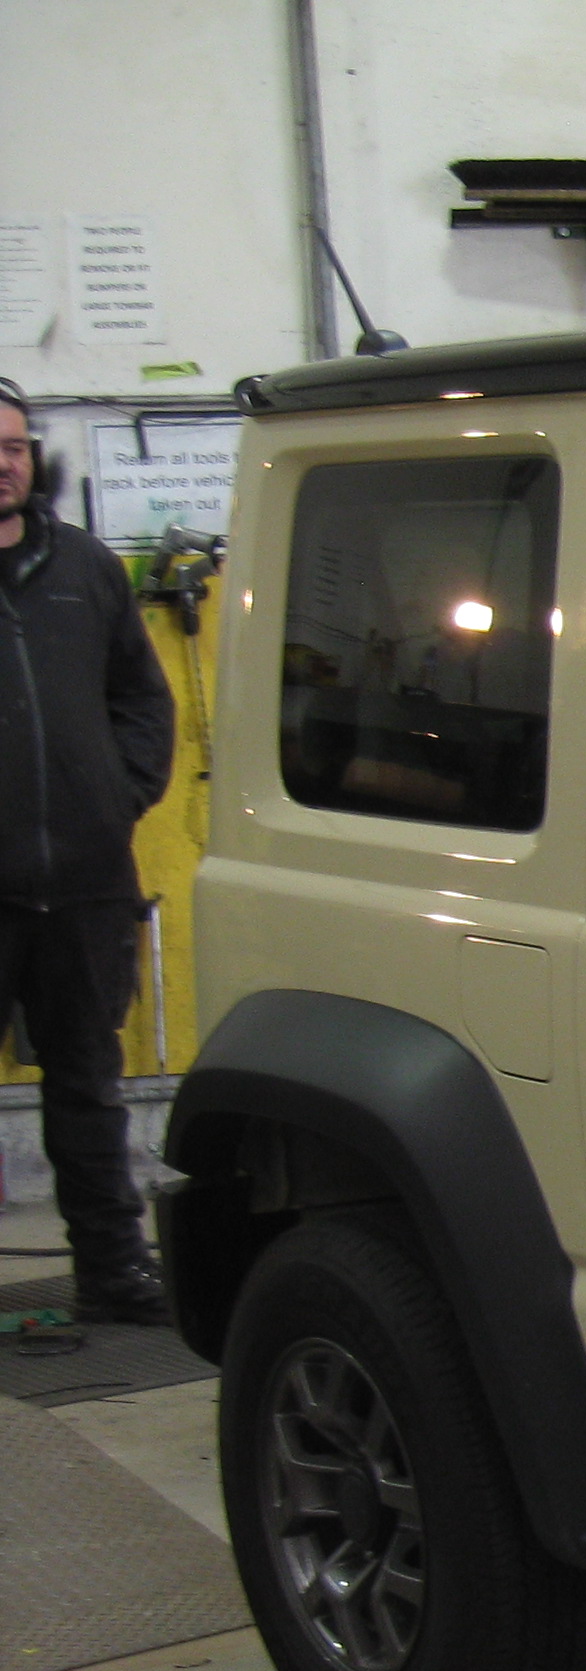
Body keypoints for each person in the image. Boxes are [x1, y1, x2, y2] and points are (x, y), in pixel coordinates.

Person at [0, 379, 178, 1324]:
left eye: (17, 446)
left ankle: (112, 1274)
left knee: (88, 1090)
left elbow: (143, 701)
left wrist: (117, 798)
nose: (5, 462)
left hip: (86, 883)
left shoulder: (88, 570)